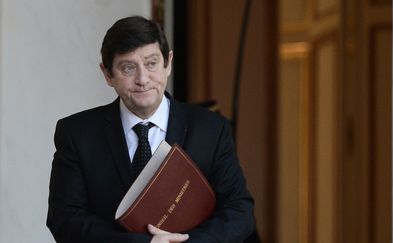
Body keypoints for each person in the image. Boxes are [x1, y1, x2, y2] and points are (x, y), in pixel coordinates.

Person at [46, 16, 255, 243]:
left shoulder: (211, 129)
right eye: (128, 68)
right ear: (107, 74)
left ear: (168, 63)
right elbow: (64, 219)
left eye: (151, 63)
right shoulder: (77, 133)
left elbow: (239, 211)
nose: (143, 79)